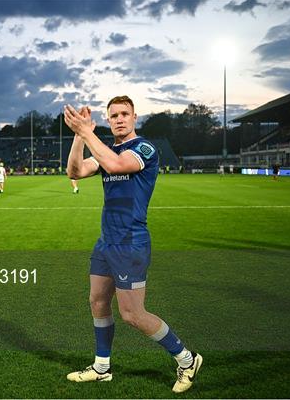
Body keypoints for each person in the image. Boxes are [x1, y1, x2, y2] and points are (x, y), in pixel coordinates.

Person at [64, 96, 202, 393]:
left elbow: (115, 166)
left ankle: (187, 359)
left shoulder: (144, 148)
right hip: (107, 242)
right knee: (98, 301)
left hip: (131, 242)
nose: (119, 119)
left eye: (125, 114)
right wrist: (79, 136)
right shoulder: (107, 149)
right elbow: (74, 172)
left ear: (135, 117)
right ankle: (102, 368)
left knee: (132, 315)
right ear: (109, 119)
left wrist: (88, 132)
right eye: (113, 115)